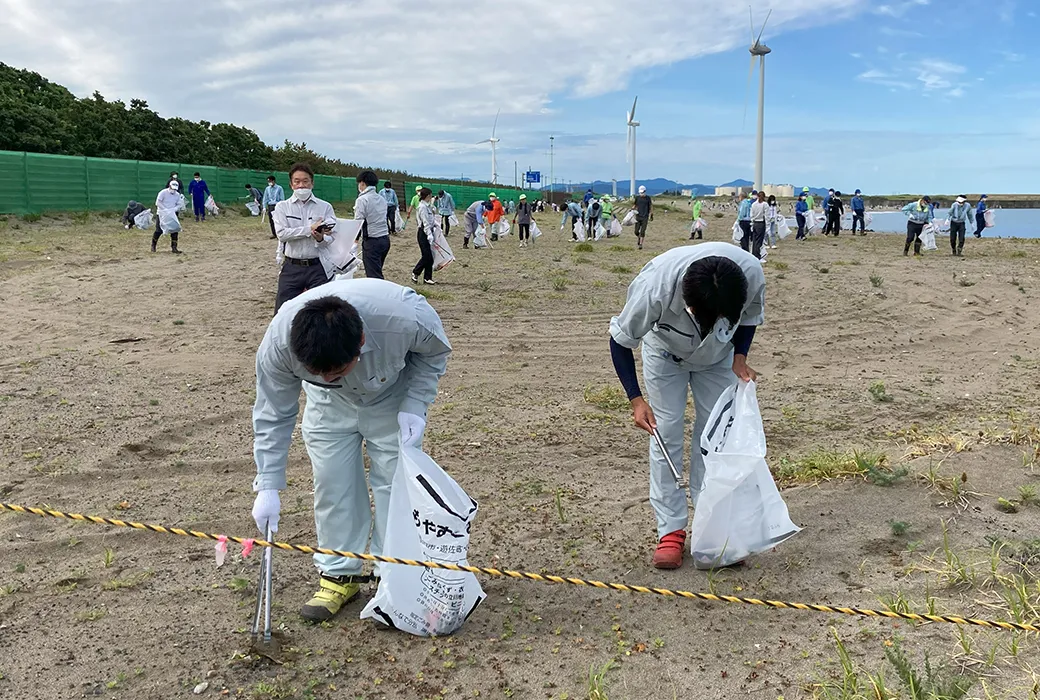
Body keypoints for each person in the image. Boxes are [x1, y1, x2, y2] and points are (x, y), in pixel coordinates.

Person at [250, 280, 452, 621]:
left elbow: (434, 354)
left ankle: (394, 576)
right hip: (328, 406)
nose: (330, 377)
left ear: (360, 342)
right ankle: (339, 574)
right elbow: (273, 411)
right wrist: (268, 483)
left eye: (338, 371)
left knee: (395, 484)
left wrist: (416, 404)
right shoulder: (279, 343)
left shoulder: (405, 317)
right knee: (333, 482)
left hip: (391, 397)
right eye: (320, 373)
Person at [609, 243, 764, 569]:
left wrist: (739, 357)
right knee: (665, 432)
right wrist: (636, 400)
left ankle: (713, 528)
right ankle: (671, 530)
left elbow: (749, 316)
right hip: (665, 355)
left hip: (719, 358)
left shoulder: (750, 273)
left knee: (715, 437)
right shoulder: (655, 287)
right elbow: (620, 341)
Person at [273, 163, 337, 311]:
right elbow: (282, 234)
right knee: (283, 311)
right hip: (291, 267)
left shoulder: (325, 207)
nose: (301, 185)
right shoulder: (282, 207)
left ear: (312, 183)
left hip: (318, 267)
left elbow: (331, 237)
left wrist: (321, 238)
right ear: (291, 185)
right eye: (297, 181)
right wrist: (309, 229)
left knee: (323, 311)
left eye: (305, 181)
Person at [353, 170, 392, 280]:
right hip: (385, 239)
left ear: (362, 183)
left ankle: (380, 296)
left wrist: (354, 239)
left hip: (372, 241)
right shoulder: (381, 199)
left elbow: (358, 222)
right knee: (377, 270)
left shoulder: (362, 200)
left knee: (374, 277)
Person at [411, 187, 440, 285]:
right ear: (427, 196)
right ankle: (415, 272)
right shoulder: (422, 207)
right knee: (426, 256)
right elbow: (425, 222)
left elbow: (431, 218)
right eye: (430, 195)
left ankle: (427, 278)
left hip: (429, 231)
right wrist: (429, 235)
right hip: (423, 233)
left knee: (430, 256)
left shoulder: (427, 206)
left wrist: (435, 224)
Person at [152, 180, 184, 254]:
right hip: (161, 213)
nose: (173, 190)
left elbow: (179, 204)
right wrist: (165, 209)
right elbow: (158, 202)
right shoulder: (163, 192)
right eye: (172, 188)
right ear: (169, 186)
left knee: (175, 230)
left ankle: (174, 247)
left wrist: (174, 209)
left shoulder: (177, 195)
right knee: (159, 230)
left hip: (172, 214)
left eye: (175, 189)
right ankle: (153, 245)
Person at [746, 190, 768, 259]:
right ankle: (757, 255)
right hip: (761, 223)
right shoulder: (765, 204)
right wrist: (768, 226)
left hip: (755, 223)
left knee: (754, 240)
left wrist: (752, 223)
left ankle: (753, 253)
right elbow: (767, 216)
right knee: (759, 240)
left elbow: (751, 215)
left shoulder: (753, 204)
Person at [634, 185, 653, 250]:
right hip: (638, 216)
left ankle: (641, 244)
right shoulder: (637, 198)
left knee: (642, 231)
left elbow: (650, 206)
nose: (641, 194)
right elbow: (635, 205)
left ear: (645, 191)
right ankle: (639, 237)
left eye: (642, 192)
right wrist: (632, 209)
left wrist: (651, 214)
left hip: (645, 216)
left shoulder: (648, 198)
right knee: (636, 231)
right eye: (640, 193)